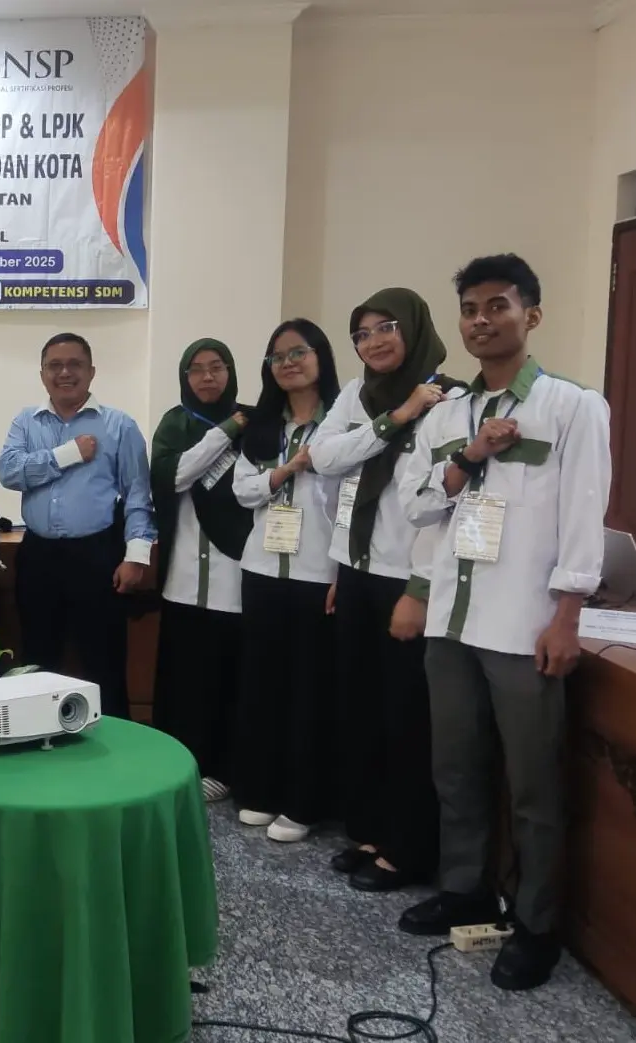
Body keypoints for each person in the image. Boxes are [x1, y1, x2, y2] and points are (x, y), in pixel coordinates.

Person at [397, 254, 610, 991]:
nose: (481, 321)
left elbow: (584, 516)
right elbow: (417, 504)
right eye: (470, 309)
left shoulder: (572, 406)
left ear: (531, 315)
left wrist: (567, 616)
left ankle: (536, 923)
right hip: (452, 622)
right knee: (455, 768)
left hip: (522, 624)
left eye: (497, 306)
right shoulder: (447, 414)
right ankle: (463, 889)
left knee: (533, 785)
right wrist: (468, 456)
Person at [309, 289, 465, 893]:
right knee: (362, 711)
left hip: (407, 579)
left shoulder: (449, 399)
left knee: (406, 718)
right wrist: (395, 418)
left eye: (387, 327)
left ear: (415, 328)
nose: (373, 341)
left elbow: (446, 509)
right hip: (356, 572)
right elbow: (324, 458)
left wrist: (419, 590)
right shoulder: (359, 395)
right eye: (362, 333)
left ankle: (408, 848)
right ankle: (371, 832)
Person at [0, 333, 155, 720]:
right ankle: (38, 739)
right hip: (38, 555)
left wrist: (136, 557)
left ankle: (116, 747)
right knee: (38, 661)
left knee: (104, 662)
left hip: (97, 556)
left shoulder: (119, 425)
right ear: (42, 374)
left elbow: (138, 495)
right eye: (55, 365)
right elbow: (8, 472)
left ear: (91, 372)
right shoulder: (26, 422)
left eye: (74, 364)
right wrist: (67, 454)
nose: (64, 373)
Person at [230, 320, 342, 843]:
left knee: (309, 692)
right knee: (262, 685)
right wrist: (286, 470)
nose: (288, 363)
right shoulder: (263, 426)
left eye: (299, 352)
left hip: (317, 571)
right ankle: (261, 789)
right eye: (278, 357)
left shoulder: (342, 421)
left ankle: (303, 801)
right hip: (261, 569)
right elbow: (243, 491)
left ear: (321, 356)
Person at [149, 339, 254, 802]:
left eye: (217, 367)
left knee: (229, 675)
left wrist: (238, 425)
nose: (207, 377)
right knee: (185, 676)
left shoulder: (256, 422)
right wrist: (226, 430)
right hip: (184, 575)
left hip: (236, 570)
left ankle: (224, 767)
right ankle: (177, 761)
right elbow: (171, 476)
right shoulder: (176, 423)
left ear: (230, 372)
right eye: (196, 369)